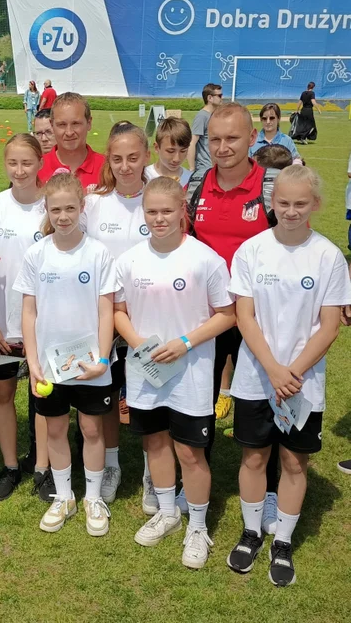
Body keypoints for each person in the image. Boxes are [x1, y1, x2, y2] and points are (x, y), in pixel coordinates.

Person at [225, 166, 350, 587]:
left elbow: (329, 325)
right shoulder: (251, 251)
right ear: (270, 203)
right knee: (255, 456)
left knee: (295, 461)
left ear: (314, 204)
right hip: (256, 378)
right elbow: (245, 316)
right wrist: (273, 370)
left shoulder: (329, 256)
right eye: (283, 203)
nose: (291, 212)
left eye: (300, 204)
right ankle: (250, 532)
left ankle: (283, 541)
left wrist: (291, 374)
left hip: (301, 384)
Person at [115, 176, 235, 569]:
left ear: (183, 210)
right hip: (147, 372)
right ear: (143, 213)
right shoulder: (129, 260)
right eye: (152, 211)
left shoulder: (205, 259)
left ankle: (197, 526)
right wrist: (140, 344)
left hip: (192, 375)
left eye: (167, 211)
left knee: (190, 451)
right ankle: (167, 511)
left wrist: (184, 342)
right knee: (155, 444)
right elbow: (117, 310)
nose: (160, 218)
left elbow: (227, 315)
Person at [187, 101, 279, 531]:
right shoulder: (197, 184)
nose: (223, 147)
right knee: (199, 397)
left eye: (232, 139)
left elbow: (298, 241)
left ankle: (271, 487)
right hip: (210, 315)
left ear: (252, 140)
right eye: (215, 139)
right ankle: (197, 478)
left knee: (262, 399)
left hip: (262, 318)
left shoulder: (270, 184)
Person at [15, 172, 116, 536]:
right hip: (50, 366)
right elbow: (29, 312)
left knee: (91, 429)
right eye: (55, 209)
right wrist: (33, 360)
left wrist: (103, 359)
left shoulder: (99, 253)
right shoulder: (36, 254)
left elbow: (107, 311)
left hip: (91, 364)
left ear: (81, 207)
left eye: (70, 208)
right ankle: (63, 496)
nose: (63, 216)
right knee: (55, 429)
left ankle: (92, 497)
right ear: (46, 209)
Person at [0, 134, 47, 501]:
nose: (19, 171)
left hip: (43, 323)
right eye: (13, 163)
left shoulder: (51, 205)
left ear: (40, 164)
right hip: (2, 322)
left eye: (27, 163)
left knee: (43, 395)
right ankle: (11, 465)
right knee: (3, 393)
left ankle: (45, 468)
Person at [82, 122, 152, 507]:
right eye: (117, 158)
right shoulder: (94, 204)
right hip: (104, 318)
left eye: (133, 158)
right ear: (108, 159)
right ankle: (111, 464)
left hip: (146, 320)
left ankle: (149, 470)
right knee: (106, 394)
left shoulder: (157, 200)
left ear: (146, 158)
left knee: (145, 395)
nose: (125, 166)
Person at [38, 93, 106, 188]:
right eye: (62, 124)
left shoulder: (107, 168)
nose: (69, 132)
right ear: (51, 125)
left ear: (89, 123)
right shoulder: (37, 169)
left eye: (75, 123)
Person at [146, 117, 192, 186]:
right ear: (157, 147)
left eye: (183, 151)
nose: (177, 159)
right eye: (170, 151)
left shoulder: (191, 181)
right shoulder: (144, 178)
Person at [188, 83, 223, 172]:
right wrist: (192, 168)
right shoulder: (202, 116)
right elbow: (192, 143)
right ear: (210, 98)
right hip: (204, 168)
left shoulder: (215, 115)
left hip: (215, 167)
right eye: (219, 95)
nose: (222, 98)